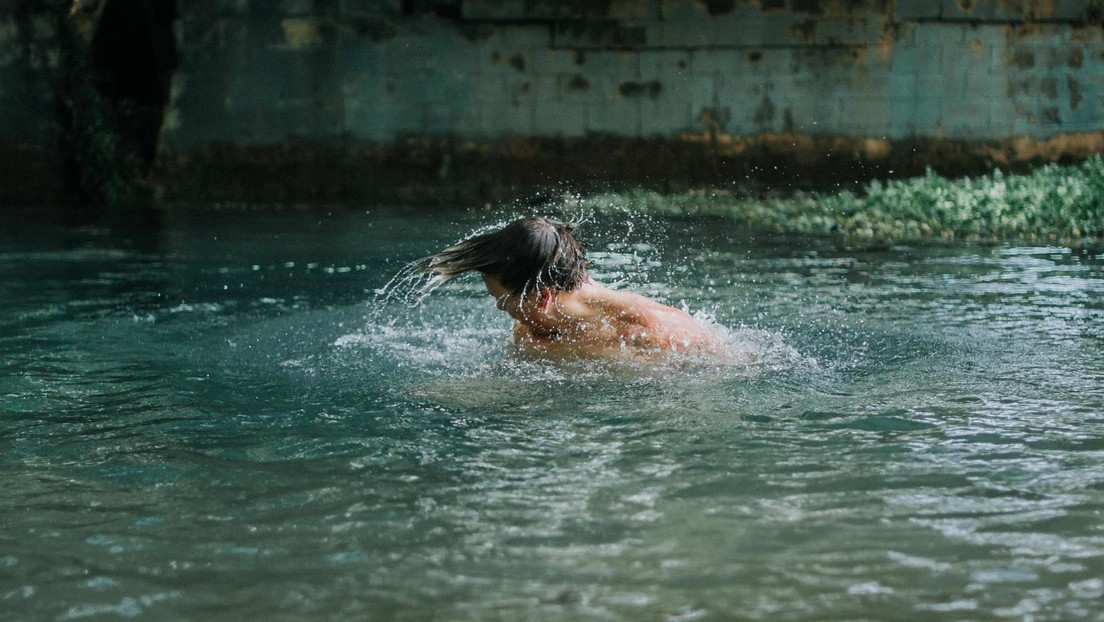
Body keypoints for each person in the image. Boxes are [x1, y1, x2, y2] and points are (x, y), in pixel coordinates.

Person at [418, 216, 718, 359]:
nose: (500, 308)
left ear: (543, 297)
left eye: (503, 300)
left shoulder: (649, 331)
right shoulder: (534, 330)